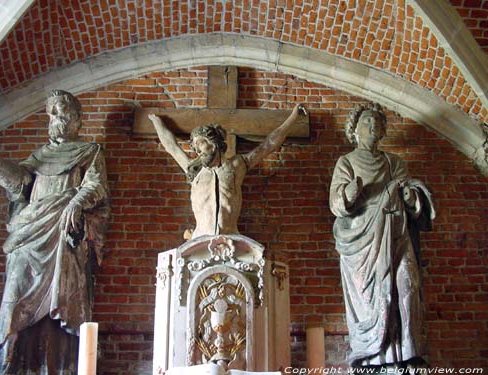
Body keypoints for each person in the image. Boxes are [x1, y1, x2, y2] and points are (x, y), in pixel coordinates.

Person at [0, 90, 109, 374]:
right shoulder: (40, 156)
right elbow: (20, 185)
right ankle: (8, 362)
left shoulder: (90, 150)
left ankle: (60, 366)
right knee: (15, 294)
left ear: (77, 119)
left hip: (64, 232)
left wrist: (77, 203)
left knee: (64, 298)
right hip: (30, 236)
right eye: (51, 112)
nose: (55, 117)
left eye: (62, 111)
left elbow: (96, 185)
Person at [329, 103, 435, 369]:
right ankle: (374, 358)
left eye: (377, 122)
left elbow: (410, 194)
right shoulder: (347, 162)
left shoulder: (394, 162)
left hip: (396, 235)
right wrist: (349, 193)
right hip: (362, 244)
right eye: (366, 121)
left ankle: (408, 354)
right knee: (372, 299)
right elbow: (336, 203)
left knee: (407, 285)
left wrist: (412, 197)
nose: (372, 125)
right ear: (354, 129)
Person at [149, 104, 306, 239]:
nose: (197, 151)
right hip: (199, 238)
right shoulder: (193, 169)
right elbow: (171, 146)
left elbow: (268, 145)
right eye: (195, 147)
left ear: (214, 143)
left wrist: (293, 116)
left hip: (232, 239)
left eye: (201, 143)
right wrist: (156, 121)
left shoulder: (237, 165)